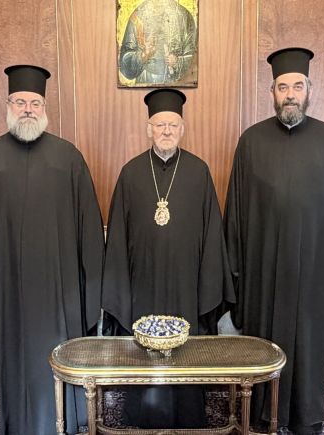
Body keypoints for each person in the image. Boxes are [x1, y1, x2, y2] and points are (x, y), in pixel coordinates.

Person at [0, 64, 104, 435]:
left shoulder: (68, 159)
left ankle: (63, 424)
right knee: (16, 368)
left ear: (44, 107)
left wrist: (89, 290)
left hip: (59, 294)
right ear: (8, 105)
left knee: (60, 359)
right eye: (19, 102)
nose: (27, 110)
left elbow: (88, 230)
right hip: (8, 297)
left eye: (34, 103)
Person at [223, 48, 324, 434]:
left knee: (307, 349)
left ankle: (305, 416)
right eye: (282, 87)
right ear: (271, 91)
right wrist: (235, 274)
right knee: (262, 346)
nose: (290, 94)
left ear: (309, 90)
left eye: (297, 86)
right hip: (263, 274)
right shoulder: (251, 142)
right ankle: (261, 414)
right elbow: (235, 215)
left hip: (313, 276)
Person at [102, 88, 234, 429]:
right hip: (142, 282)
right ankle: (142, 417)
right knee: (142, 351)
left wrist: (208, 286)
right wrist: (119, 287)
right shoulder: (131, 173)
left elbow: (212, 234)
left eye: (173, 125)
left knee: (187, 350)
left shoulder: (199, 171)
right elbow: (117, 237)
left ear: (182, 129)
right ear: (149, 129)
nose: (166, 131)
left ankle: (189, 417)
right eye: (160, 125)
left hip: (187, 283)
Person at [118, 0, 197, 85]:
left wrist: (178, 62)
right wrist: (143, 56)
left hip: (176, 84)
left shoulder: (184, 16)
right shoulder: (138, 17)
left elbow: (194, 59)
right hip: (145, 82)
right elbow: (124, 65)